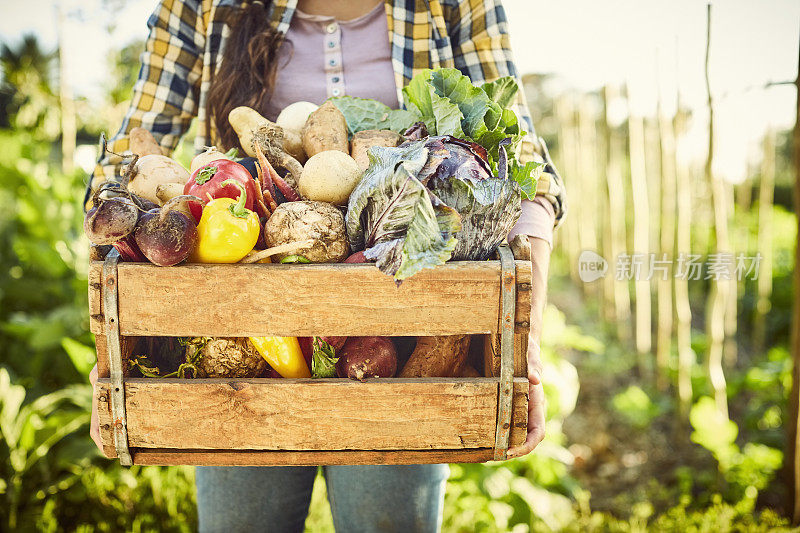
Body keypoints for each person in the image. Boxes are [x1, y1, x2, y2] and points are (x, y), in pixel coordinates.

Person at [87, 0, 567, 531]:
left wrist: (528, 352)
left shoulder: (455, 6)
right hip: (238, 340)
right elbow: (116, 176)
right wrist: (116, 350)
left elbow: (528, 177)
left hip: (401, 339)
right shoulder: (198, 6)